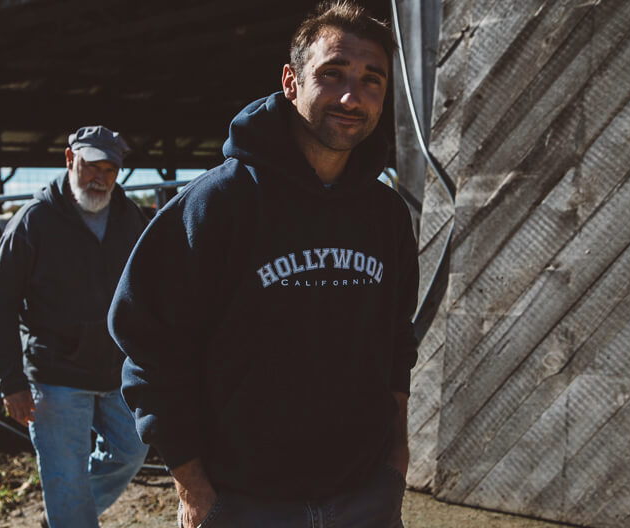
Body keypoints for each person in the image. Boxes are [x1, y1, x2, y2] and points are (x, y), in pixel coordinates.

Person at [109, 2, 419, 527]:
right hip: (245, 501)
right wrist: (193, 485)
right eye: (332, 73)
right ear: (291, 81)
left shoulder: (385, 213)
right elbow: (149, 346)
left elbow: (395, 341)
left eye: (372, 79)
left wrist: (397, 457)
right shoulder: (216, 204)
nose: (352, 96)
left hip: (366, 495)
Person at [0, 125, 150, 528]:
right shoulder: (33, 222)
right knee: (64, 476)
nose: (100, 177)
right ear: (69, 160)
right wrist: (10, 381)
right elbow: (0, 305)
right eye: (91, 164)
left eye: (110, 169)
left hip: (116, 369)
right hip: (55, 374)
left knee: (131, 451)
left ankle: (65, 513)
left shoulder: (131, 219)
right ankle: (69, 512)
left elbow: (151, 288)